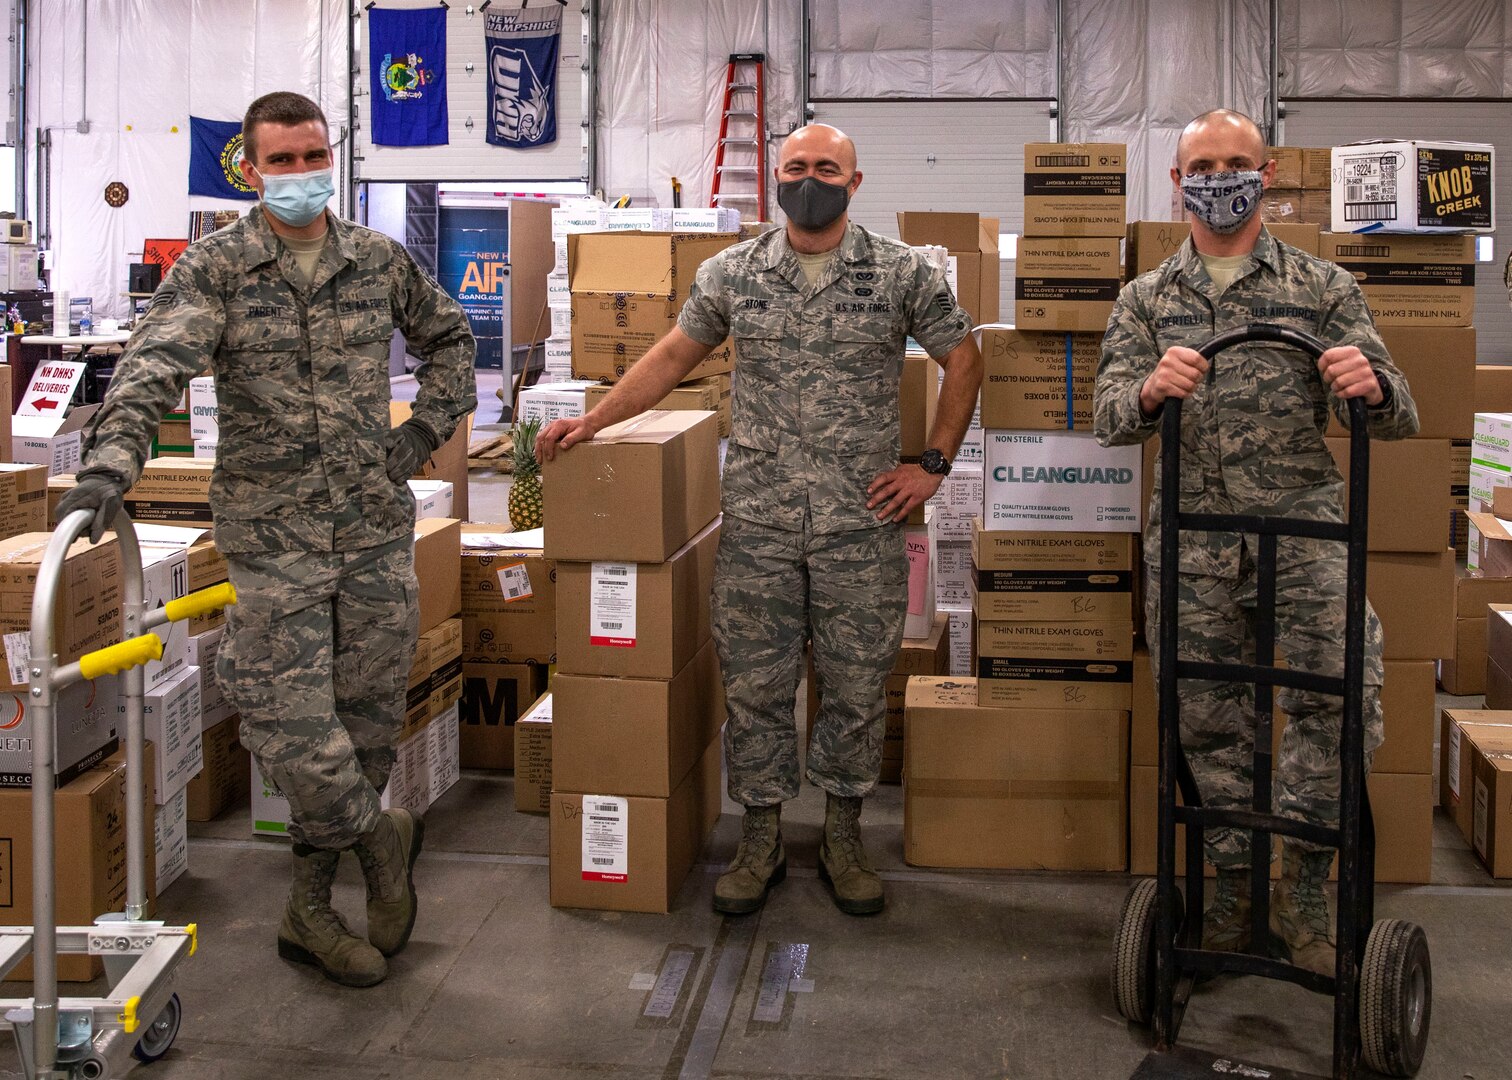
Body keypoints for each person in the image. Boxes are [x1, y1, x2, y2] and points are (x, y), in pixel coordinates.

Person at [57, 91, 477, 987]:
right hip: (274, 533)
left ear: (333, 155)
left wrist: (420, 430)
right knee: (291, 723)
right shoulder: (218, 269)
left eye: (311, 155)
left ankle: (308, 912)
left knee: (363, 726)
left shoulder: (377, 258)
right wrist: (108, 470)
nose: (298, 174)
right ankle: (378, 839)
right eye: (280, 161)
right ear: (250, 169)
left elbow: (450, 339)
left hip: (369, 527)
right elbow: (151, 368)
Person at [538, 124, 982, 916]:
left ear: (855, 179)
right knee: (757, 687)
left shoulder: (900, 271)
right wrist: (593, 420)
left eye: (826, 169)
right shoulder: (734, 273)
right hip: (761, 526)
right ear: (774, 178)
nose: (810, 179)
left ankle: (844, 834)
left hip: (859, 523)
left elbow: (965, 356)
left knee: (853, 687)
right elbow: (672, 356)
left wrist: (934, 466)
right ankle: (764, 835)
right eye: (796, 167)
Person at [1094, 109, 1418, 975]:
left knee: (1340, 699)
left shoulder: (1322, 286)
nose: (1221, 176)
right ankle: (1234, 893)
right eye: (1203, 163)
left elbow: (1403, 412)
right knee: (1205, 721)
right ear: (1177, 180)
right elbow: (1106, 419)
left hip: (1306, 535)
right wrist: (1151, 390)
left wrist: (1372, 386)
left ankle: (1304, 888)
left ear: (1267, 174)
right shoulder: (1146, 299)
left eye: (1238, 162)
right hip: (1193, 546)